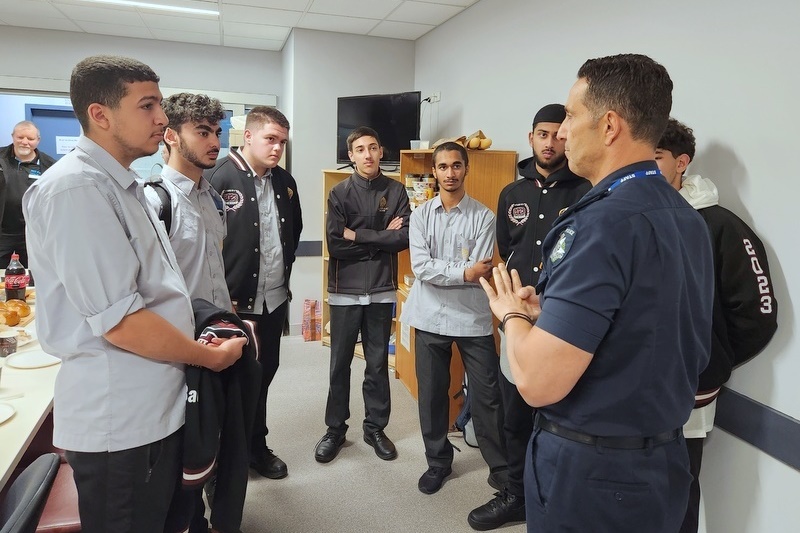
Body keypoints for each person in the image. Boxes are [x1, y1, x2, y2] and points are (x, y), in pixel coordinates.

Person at [479, 53, 715, 532]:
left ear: (609, 126)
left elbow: (539, 381)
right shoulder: (686, 217)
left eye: (570, 115)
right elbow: (639, 321)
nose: (562, 131)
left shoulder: (601, 224)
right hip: (663, 462)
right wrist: (555, 312)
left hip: (594, 475)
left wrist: (512, 316)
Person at [22, 55, 246, 533]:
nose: (162, 118)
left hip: (155, 406)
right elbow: (122, 321)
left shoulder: (125, 187)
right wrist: (208, 359)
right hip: (120, 421)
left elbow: (160, 292)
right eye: (147, 106)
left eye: (160, 104)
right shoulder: (76, 190)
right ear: (100, 115)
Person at [469, 104, 590, 530]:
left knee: (558, 413)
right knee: (513, 410)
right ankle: (516, 494)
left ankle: (554, 497)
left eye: (559, 134)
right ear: (531, 137)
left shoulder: (586, 191)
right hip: (517, 316)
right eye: (543, 133)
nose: (551, 141)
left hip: (563, 319)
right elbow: (507, 245)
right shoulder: (511, 193)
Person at [655, 118, 778, 533]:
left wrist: (709, 355)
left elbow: (757, 313)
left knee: (678, 490)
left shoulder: (719, 225)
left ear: (681, 162)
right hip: (632, 389)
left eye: (655, 158)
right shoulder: (635, 217)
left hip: (690, 390)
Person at [145, 92, 251, 533]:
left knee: (219, 445)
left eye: (217, 132)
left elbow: (215, 269)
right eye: (202, 132)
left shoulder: (214, 200)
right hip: (178, 353)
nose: (215, 141)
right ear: (171, 134)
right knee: (180, 461)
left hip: (216, 339)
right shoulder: (154, 202)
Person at [401, 141, 507, 495]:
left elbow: (479, 270)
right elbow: (421, 267)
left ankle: (501, 468)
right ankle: (437, 462)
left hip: (472, 319)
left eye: (456, 166)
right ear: (434, 171)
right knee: (431, 394)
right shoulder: (420, 215)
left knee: (488, 393)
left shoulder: (483, 217)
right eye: (443, 167)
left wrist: (455, 272)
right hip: (429, 316)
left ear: (466, 169)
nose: (450, 173)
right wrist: (463, 272)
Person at [206, 105, 302, 480]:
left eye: (281, 142)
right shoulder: (217, 176)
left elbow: (292, 235)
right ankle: (222, 463)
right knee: (230, 384)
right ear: (247, 136)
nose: (277, 148)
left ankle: (255, 448)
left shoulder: (285, 182)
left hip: (273, 300)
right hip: (231, 305)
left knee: (262, 376)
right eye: (270, 139)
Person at [315, 126, 410, 464]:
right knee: (339, 363)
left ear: (381, 151)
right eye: (360, 149)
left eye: (373, 147)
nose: (367, 154)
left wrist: (359, 236)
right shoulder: (339, 193)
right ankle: (335, 429)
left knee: (377, 364)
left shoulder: (397, 191)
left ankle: (375, 428)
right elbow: (336, 245)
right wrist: (381, 236)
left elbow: (404, 240)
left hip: (382, 290)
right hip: (345, 290)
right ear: (351, 155)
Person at [0, 120, 56, 266]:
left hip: (32, 232)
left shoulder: (50, 166)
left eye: (30, 139)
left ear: (38, 141)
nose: (24, 142)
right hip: (3, 231)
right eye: (20, 137)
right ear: (13, 137)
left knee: (33, 272)